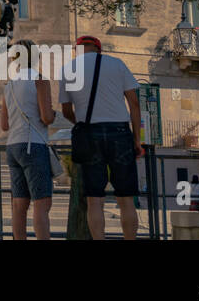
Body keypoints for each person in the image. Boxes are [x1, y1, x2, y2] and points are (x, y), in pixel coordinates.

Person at [58, 35, 142, 239]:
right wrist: (137, 140)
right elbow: (134, 103)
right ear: (99, 49)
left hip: (89, 133)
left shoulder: (69, 70)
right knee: (126, 198)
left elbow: (66, 110)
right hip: (120, 133)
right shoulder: (117, 64)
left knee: (94, 199)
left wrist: (82, 123)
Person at [0, 39, 55, 239]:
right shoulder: (39, 80)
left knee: (19, 205)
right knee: (42, 203)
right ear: (36, 57)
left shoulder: (9, 86)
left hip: (13, 146)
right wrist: (55, 115)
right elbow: (46, 117)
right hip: (34, 145)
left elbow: (4, 125)